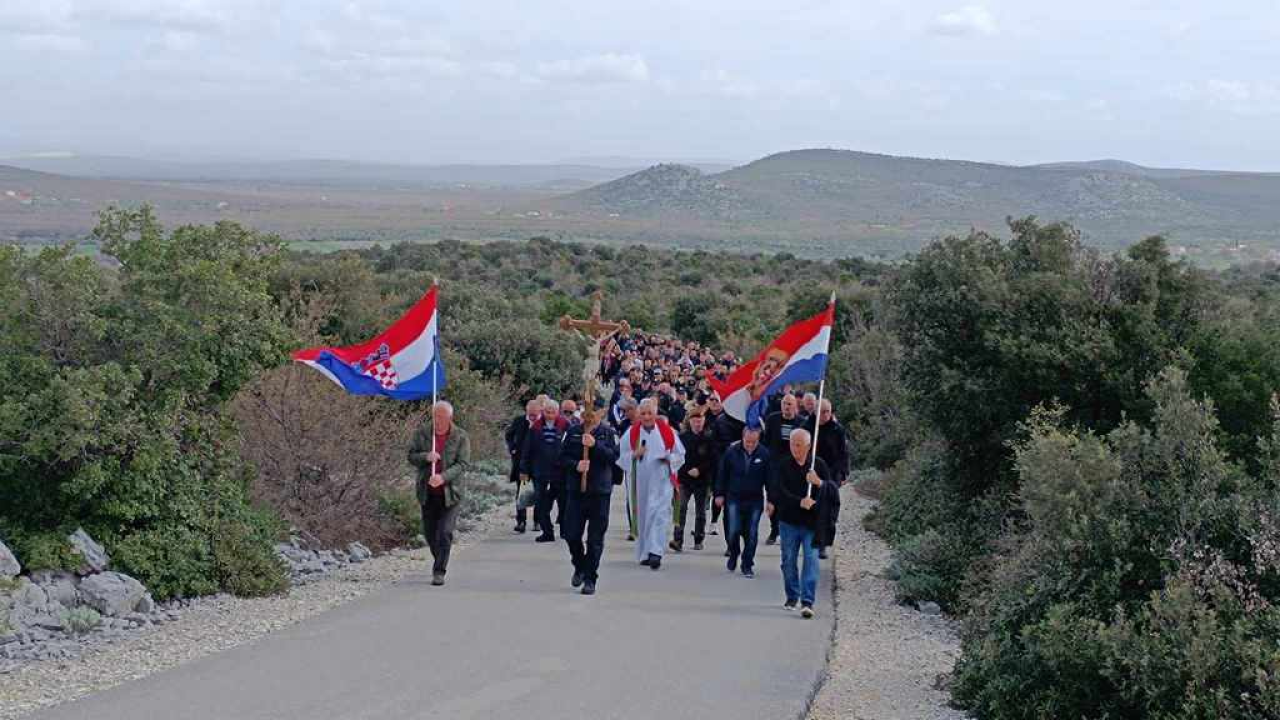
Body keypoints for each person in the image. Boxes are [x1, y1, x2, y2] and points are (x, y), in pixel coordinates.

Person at [768, 429, 839, 617]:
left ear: (808, 447)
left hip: (811, 523)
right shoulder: (783, 466)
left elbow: (831, 492)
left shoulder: (819, 465)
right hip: (789, 522)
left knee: (811, 559)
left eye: (799, 445)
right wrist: (800, 501)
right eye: (792, 444)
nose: (795, 448)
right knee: (788, 561)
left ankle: (808, 601)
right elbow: (778, 492)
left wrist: (818, 483)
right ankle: (792, 595)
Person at [407, 401, 471, 586]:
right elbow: (411, 455)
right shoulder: (423, 433)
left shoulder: (460, 436)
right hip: (427, 492)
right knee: (430, 533)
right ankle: (440, 557)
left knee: (445, 531)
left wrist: (443, 477)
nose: (438, 420)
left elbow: (463, 464)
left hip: (451, 493)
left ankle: (439, 571)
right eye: (435, 416)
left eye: (442, 417)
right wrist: (426, 456)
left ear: (450, 417)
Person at [616, 398, 685, 570]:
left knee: (660, 516)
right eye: (644, 413)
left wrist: (668, 458)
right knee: (645, 516)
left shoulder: (667, 431)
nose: (647, 417)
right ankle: (645, 553)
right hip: (641, 482)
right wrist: (634, 454)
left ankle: (656, 552)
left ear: (656, 413)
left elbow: (680, 454)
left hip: (662, 480)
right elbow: (620, 455)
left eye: (650, 413)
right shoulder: (632, 432)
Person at [560, 412, 619, 596]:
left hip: (599, 492)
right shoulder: (572, 432)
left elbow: (613, 457)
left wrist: (595, 446)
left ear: (600, 413)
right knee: (571, 534)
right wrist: (575, 465)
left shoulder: (608, 433)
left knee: (595, 539)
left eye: (594, 412)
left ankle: (590, 578)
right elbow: (561, 457)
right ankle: (580, 565)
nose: (590, 416)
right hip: (576, 492)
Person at [715, 424, 770, 578]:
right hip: (734, 497)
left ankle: (747, 564)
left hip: (754, 500)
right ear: (742, 438)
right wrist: (719, 494)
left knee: (751, 533)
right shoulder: (732, 452)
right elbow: (722, 473)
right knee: (733, 530)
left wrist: (771, 500)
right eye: (748, 442)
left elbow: (770, 479)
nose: (751, 445)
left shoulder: (764, 454)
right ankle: (734, 552)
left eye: (754, 442)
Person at [802, 398, 850, 559]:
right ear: (814, 411)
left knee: (828, 510)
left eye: (827, 411)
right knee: (812, 508)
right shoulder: (807, 427)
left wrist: (843, 473)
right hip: (812, 473)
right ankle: (810, 539)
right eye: (821, 411)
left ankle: (822, 544)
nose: (824, 415)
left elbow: (843, 453)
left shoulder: (837, 429)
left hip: (832, 474)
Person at [521, 398, 569, 543]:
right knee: (541, 504)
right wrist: (524, 469)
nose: (549, 415)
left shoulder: (565, 426)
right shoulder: (535, 428)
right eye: (547, 412)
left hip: (561, 472)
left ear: (557, 412)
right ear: (543, 412)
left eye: (552, 412)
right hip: (540, 472)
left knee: (564, 504)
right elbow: (527, 450)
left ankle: (565, 531)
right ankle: (547, 532)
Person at [671, 408, 714, 552]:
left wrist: (700, 470)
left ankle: (699, 538)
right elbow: (677, 457)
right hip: (684, 479)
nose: (697, 423)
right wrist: (686, 470)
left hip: (702, 480)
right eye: (695, 420)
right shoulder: (682, 438)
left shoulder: (709, 438)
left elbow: (712, 460)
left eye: (700, 420)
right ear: (690, 421)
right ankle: (677, 539)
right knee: (680, 508)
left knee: (700, 511)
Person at [763, 394, 803, 545]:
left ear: (795, 406)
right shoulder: (773, 420)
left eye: (790, 404)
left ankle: (787, 530)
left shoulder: (801, 422)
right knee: (773, 498)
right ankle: (774, 530)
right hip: (774, 466)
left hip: (793, 467)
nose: (787, 407)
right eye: (785, 404)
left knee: (789, 499)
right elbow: (766, 441)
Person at [707, 394, 742, 541]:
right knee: (718, 495)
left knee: (732, 502)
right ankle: (714, 521)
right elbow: (713, 445)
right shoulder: (719, 421)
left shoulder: (742, 420)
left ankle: (732, 539)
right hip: (721, 465)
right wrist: (727, 447)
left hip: (738, 466)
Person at [505, 399, 540, 533]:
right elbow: (509, 435)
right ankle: (521, 521)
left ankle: (537, 521)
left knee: (539, 492)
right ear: (526, 411)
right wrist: (512, 448)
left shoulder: (542, 423)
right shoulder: (519, 421)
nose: (532, 417)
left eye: (534, 415)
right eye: (530, 414)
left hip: (538, 464)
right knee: (522, 492)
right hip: (521, 463)